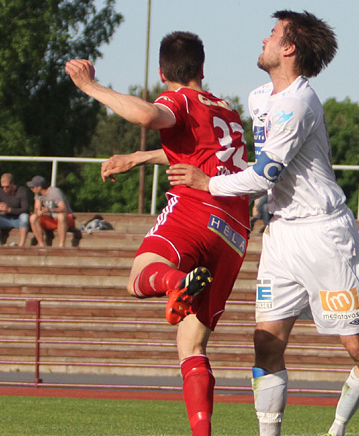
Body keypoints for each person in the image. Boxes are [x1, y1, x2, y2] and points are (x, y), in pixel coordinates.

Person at [166, 11, 359, 436]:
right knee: (266, 341)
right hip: (281, 234)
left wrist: (207, 183)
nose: (264, 39)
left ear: (288, 48)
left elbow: (266, 172)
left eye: (272, 34)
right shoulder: (258, 99)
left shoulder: (299, 101)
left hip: (323, 233)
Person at [66, 31, 250, 436]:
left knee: (139, 277)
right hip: (235, 231)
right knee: (191, 348)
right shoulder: (227, 111)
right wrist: (139, 157)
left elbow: (150, 116)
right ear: (203, 68)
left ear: (163, 72)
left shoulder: (178, 98)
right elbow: (195, 149)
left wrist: (89, 85)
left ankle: (175, 282)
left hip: (197, 208)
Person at [27, 176, 75, 248]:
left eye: (33, 187)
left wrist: (50, 210)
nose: (31, 189)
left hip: (65, 220)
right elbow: (36, 209)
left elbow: (63, 208)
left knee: (61, 216)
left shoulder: (55, 192)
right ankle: (41, 244)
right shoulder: (37, 194)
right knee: (33, 218)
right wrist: (39, 212)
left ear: (39, 187)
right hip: (51, 220)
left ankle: (61, 245)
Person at [0, 174, 30, 246]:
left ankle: (21, 244)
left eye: (7, 187)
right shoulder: (1, 192)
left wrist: (9, 209)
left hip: (18, 219)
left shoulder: (21, 191)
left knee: (24, 217)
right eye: (3, 187)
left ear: (12, 184)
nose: (5, 189)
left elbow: (25, 209)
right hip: (5, 219)